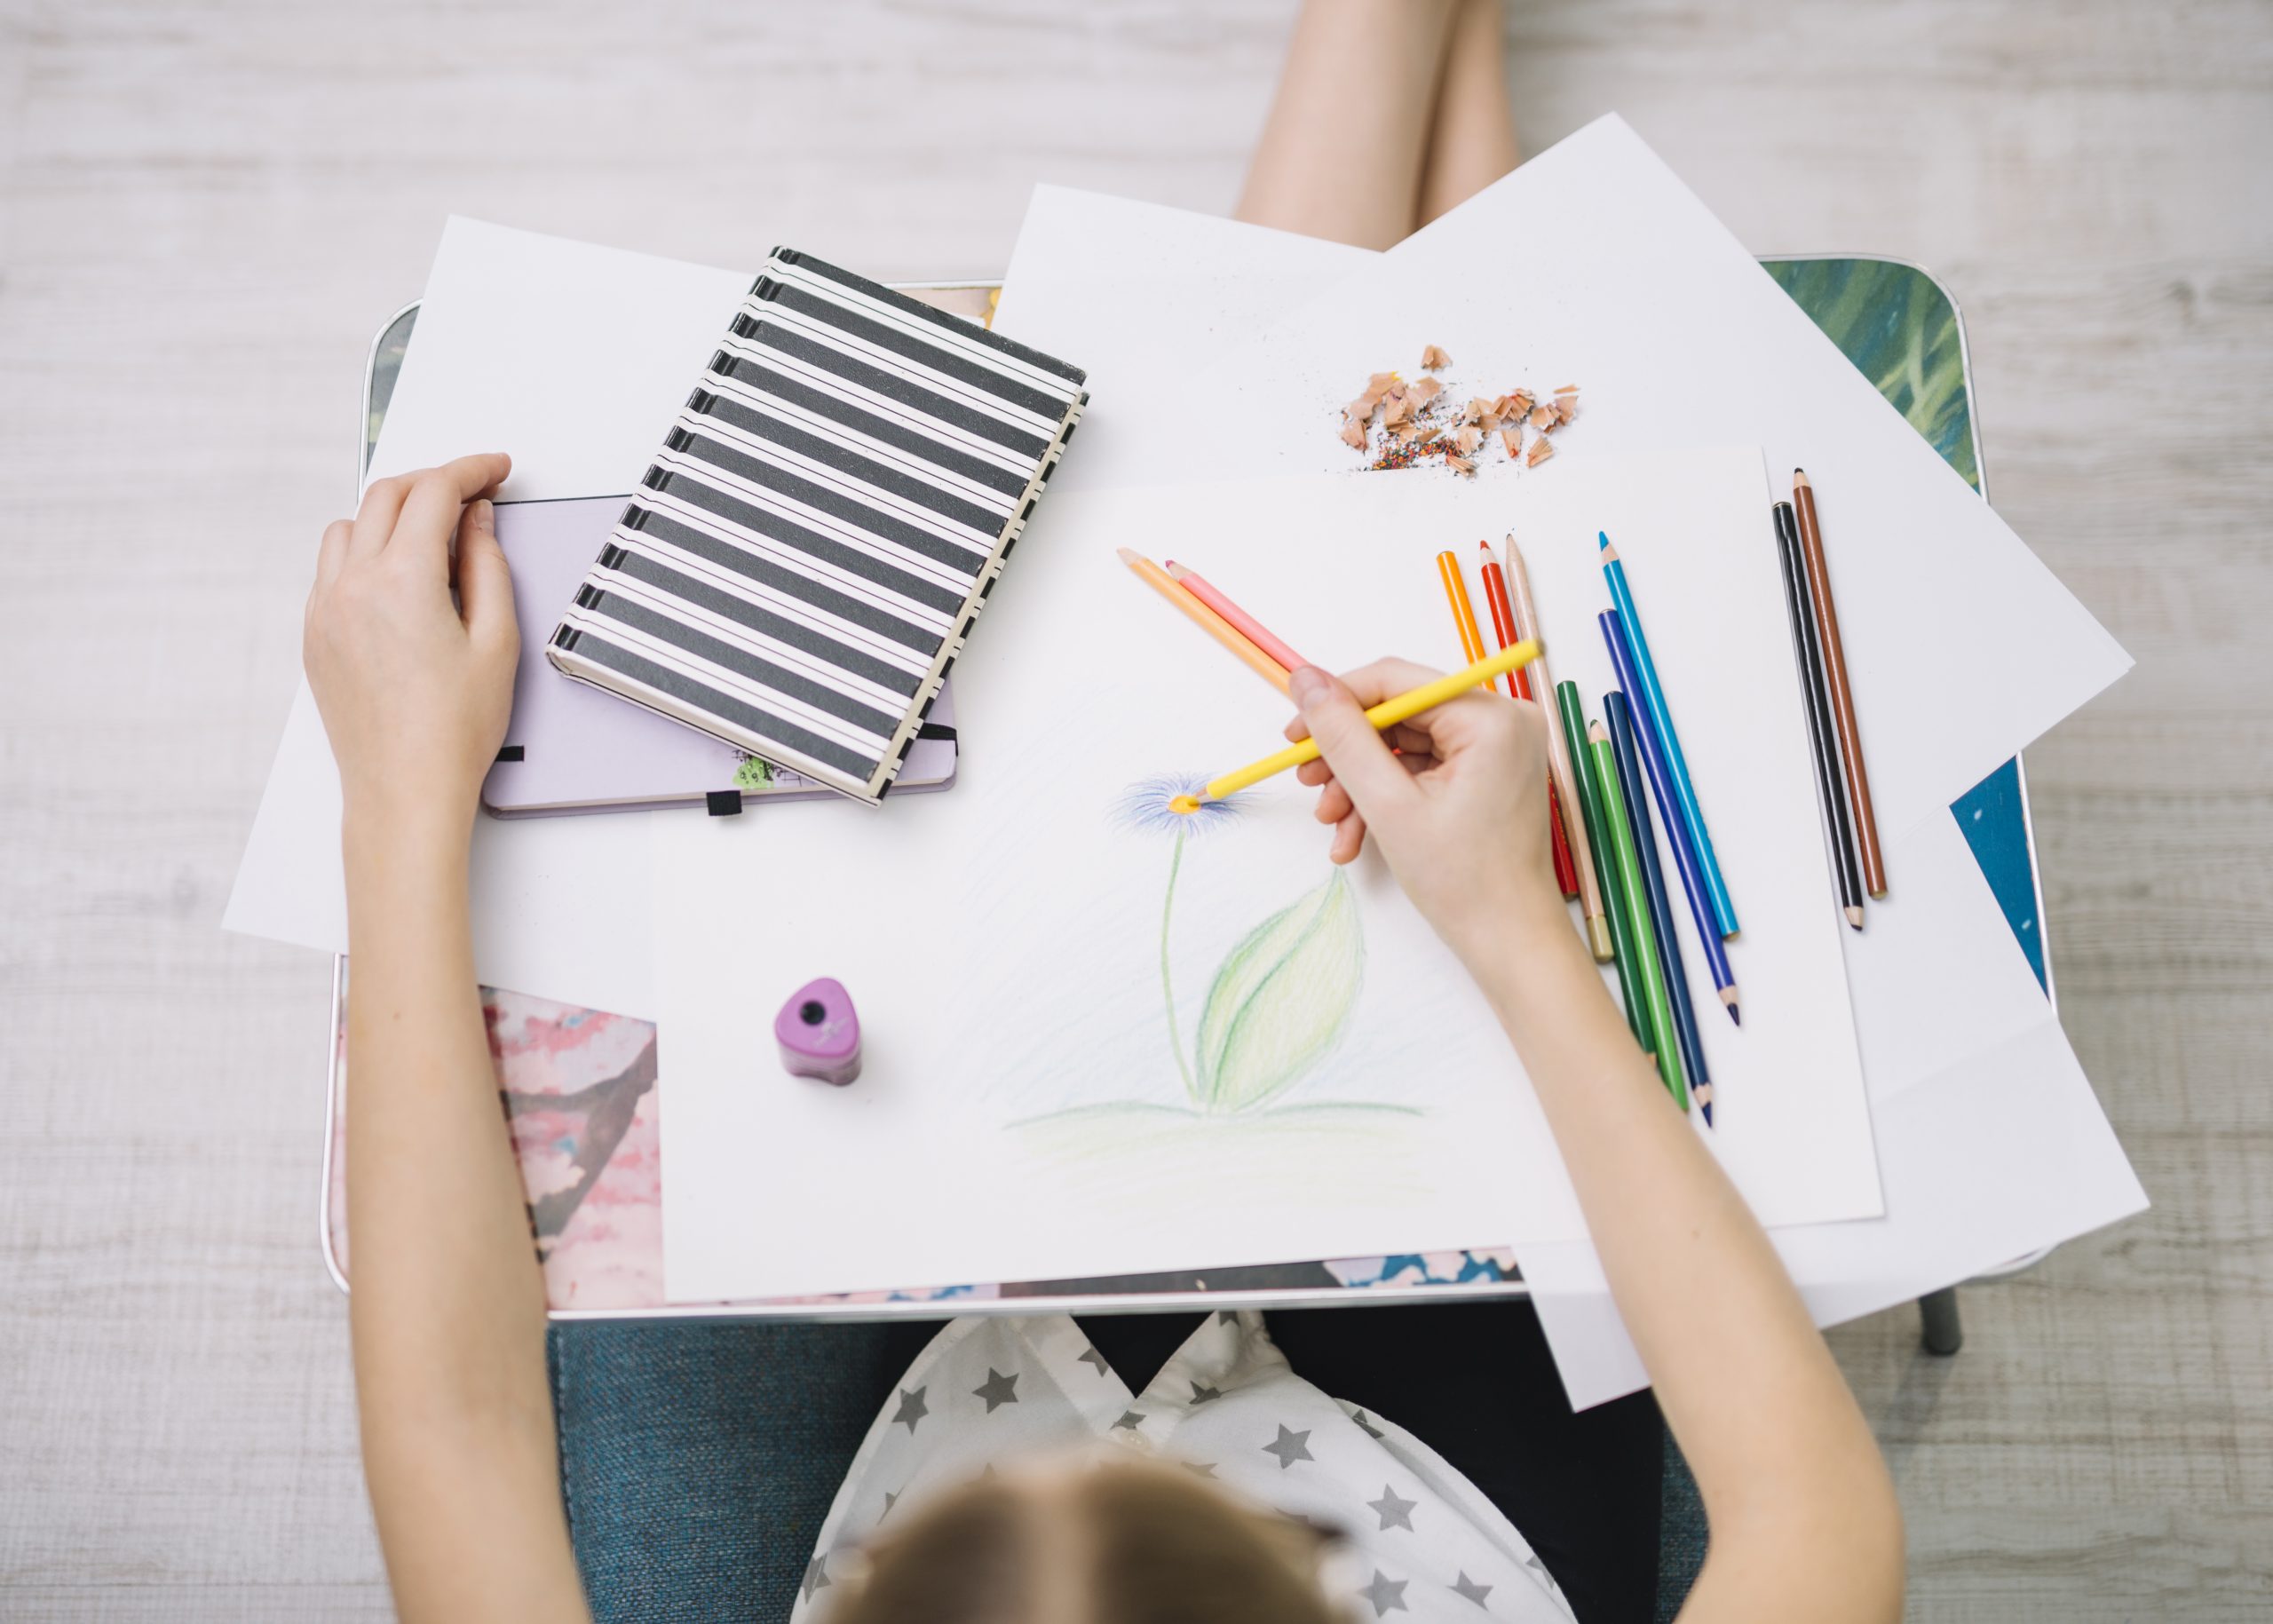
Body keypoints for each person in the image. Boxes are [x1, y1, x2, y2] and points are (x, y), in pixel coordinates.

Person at [307, 3, 1905, 1620]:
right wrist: (1514, 924)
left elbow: (453, 1429)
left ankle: (1419, 29)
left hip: (946, 1351)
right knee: (1359, 480)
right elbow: (1812, 1513)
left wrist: (395, 798)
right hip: (1449, 1493)